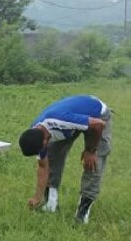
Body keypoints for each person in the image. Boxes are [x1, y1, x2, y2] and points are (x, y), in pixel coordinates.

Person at [18, 95, 112, 224]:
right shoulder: (36, 133)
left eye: (41, 149)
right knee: (52, 156)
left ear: (45, 141)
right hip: (72, 123)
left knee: (93, 162)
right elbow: (43, 166)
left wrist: (91, 150)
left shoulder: (60, 121)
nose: (41, 153)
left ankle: (83, 212)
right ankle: (50, 203)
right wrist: (37, 197)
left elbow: (98, 125)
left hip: (97, 116)